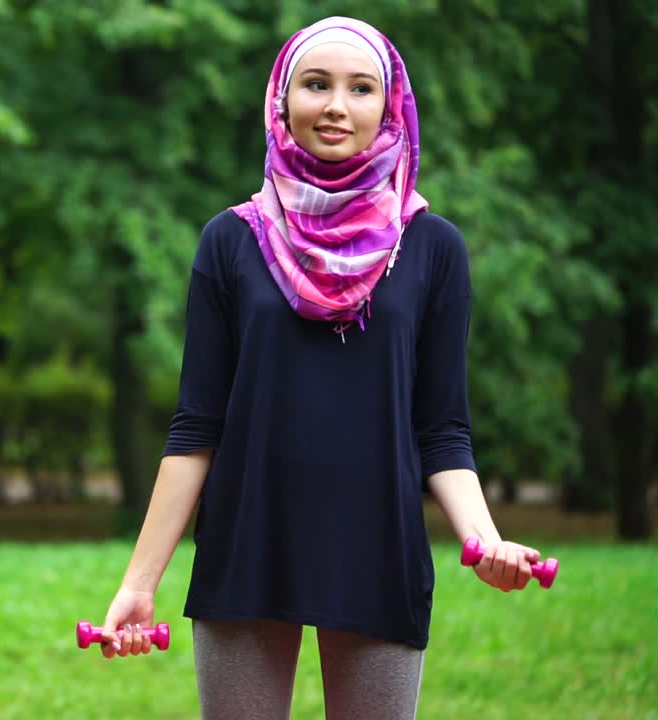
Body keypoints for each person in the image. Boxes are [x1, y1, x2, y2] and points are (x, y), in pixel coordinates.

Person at [95, 15, 542, 720]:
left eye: (361, 88)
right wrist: (139, 582)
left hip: (379, 545)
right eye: (317, 84)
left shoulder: (433, 248)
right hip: (248, 541)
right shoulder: (229, 241)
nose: (337, 104)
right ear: (283, 100)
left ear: (389, 107)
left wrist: (483, 539)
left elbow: (442, 427)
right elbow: (196, 425)